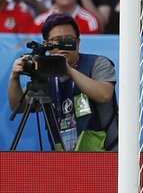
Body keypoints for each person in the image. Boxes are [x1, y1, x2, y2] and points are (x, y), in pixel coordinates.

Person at [7, 12, 118, 150]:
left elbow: (104, 95)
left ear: (78, 42)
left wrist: (68, 70)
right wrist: (14, 77)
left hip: (104, 154)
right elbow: (19, 106)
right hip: (64, 159)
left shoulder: (98, 63)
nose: (63, 46)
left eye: (69, 40)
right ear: (46, 45)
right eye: (57, 41)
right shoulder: (46, 74)